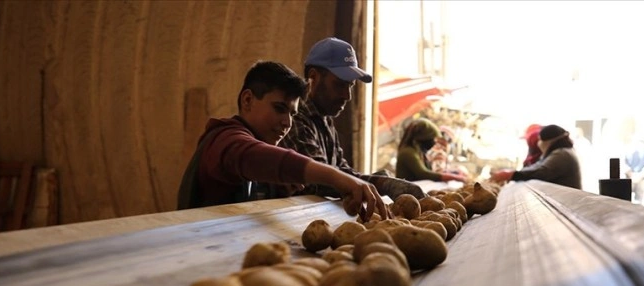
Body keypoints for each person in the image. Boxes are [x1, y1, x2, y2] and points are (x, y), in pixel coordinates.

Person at [176, 61, 387, 221]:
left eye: (292, 114)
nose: (287, 123)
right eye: (279, 109)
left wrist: (284, 188)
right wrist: (338, 178)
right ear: (247, 100)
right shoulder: (225, 139)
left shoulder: (262, 144)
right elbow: (255, 157)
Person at [271, 37, 427, 200]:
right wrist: (381, 184)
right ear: (313, 77)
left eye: (350, 86)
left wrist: (374, 180)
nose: (347, 96)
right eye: (339, 85)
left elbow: (340, 170)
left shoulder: (325, 120)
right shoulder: (295, 120)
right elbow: (321, 179)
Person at [490, 124, 582, 189]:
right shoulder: (557, 152)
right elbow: (536, 166)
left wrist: (511, 175)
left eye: (540, 140)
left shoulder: (562, 154)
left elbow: (541, 172)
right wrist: (511, 173)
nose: (539, 143)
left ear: (548, 141)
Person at [395, 118, 467, 182]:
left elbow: (431, 171)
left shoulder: (419, 152)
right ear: (423, 138)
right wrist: (455, 177)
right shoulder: (408, 152)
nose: (434, 142)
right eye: (432, 139)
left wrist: (453, 173)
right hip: (407, 194)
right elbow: (423, 174)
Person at [623, 137, 644, 204]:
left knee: (641, 190)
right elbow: (625, 164)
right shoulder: (630, 154)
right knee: (626, 191)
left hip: (642, 178)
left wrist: (640, 175)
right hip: (630, 176)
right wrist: (631, 174)